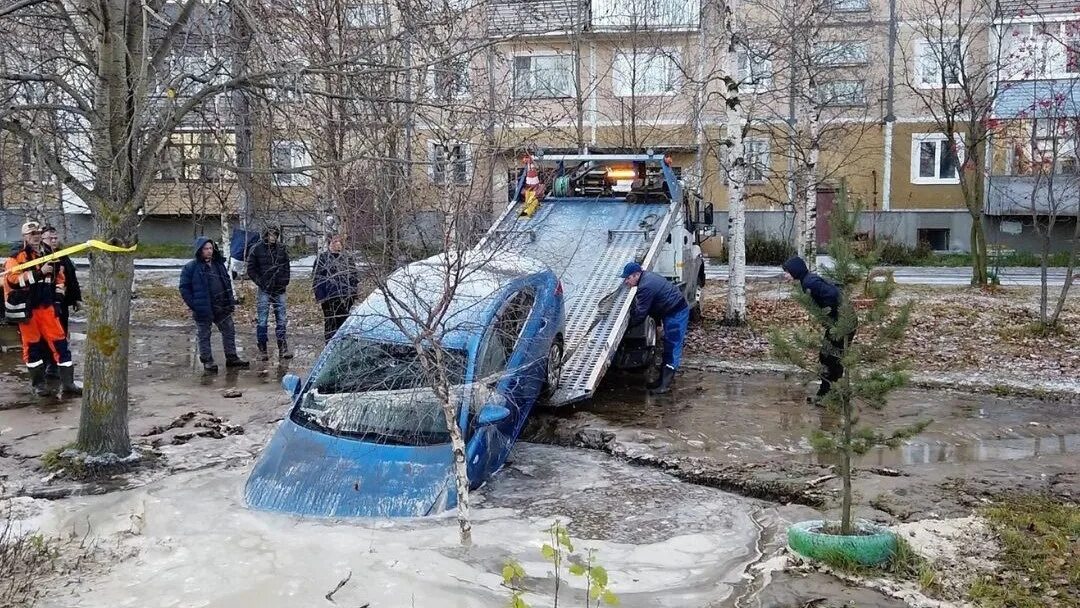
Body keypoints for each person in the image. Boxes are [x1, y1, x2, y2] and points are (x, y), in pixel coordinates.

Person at [3, 221, 82, 396]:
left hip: (47, 308)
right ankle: (38, 385)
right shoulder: (16, 257)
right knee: (32, 347)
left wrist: (58, 300)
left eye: (38, 232)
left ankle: (68, 383)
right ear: (24, 237)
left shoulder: (50, 254)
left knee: (61, 344)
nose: (36, 236)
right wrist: (39, 273)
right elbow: (12, 280)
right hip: (28, 310)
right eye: (32, 234)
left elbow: (60, 279)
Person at [782, 256, 851, 404]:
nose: (785, 275)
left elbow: (833, 294)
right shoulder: (807, 281)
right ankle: (828, 393)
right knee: (827, 357)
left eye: (787, 272)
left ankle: (830, 396)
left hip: (842, 323)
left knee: (830, 358)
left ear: (795, 271)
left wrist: (828, 314)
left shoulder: (809, 282)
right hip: (839, 322)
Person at [180, 237, 250, 374]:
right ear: (200, 250)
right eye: (206, 249)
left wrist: (230, 302)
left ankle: (232, 358)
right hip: (203, 308)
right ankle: (207, 361)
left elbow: (227, 283)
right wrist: (195, 305)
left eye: (211, 248)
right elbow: (184, 288)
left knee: (229, 330)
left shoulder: (218, 265)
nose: (209, 251)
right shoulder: (191, 267)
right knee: (204, 335)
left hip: (222, 306)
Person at [621, 261, 689, 395]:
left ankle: (665, 385)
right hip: (670, 311)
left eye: (628, 278)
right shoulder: (646, 279)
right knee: (668, 345)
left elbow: (640, 314)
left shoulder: (645, 287)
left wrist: (625, 328)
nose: (626, 282)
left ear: (636, 275)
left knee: (672, 346)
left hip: (676, 312)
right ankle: (661, 381)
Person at [41, 227, 82, 382]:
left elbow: (71, 278)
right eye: (49, 238)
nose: (53, 240)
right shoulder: (41, 256)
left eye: (55, 237)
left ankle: (56, 365)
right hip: (46, 303)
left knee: (61, 334)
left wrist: (76, 298)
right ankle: (49, 365)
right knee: (48, 336)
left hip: (62, 303)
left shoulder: (62, 255)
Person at [246, 226, 292, 361]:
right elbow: (251, 269)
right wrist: (261, 282)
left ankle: (283, 346)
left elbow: (287, 267)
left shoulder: (281, 249)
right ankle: (263, 348)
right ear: (265, 235)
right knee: (262, 320)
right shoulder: (257, 249)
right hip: (264, 288)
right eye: (270, 234)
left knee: (282, 319)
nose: (272, 237)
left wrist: (284, 282)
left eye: (275, 235)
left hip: (279, 288)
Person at [313, 234, 360, 343]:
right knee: (330, 323)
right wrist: (321, 297)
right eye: (334, 242)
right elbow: (317, 279)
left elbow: (353, 277)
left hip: (345, 297)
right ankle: (329, 345)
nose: (337, 245)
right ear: (329, 244)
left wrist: (352, 295)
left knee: (343, 323)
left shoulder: (347, 259)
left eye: (339, 242)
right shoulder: (323, 258)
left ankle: (341, 346)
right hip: (329, 298)